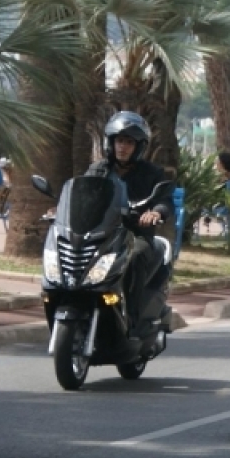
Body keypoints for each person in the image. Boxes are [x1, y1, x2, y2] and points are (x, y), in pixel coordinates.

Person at [87, 112, 174, 336]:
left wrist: (155, 212)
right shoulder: (98, 170)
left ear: (139, 147)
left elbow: (165, 201)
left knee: (134, 257)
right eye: (119, 141)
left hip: (136, 236)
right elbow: (82, 195)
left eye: (128, 142)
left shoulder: (152, 174)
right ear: (111, 142)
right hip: (103, 235)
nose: (122, 147)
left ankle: (131, 319)